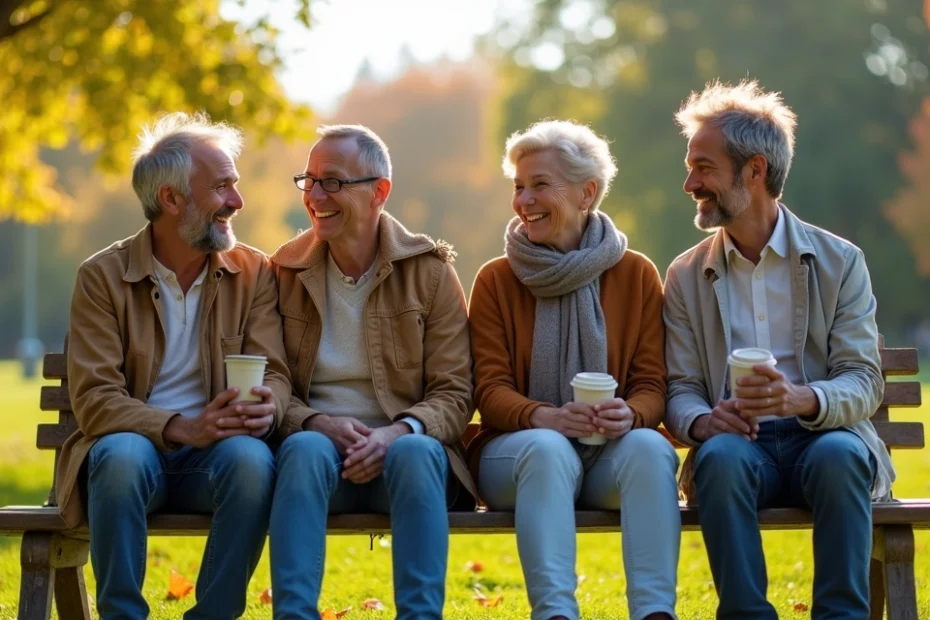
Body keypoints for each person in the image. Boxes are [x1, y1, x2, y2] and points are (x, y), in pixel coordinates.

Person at [664, 79, 894, 619]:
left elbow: (863, 377)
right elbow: (680, 389)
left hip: (823, 434)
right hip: (740, 445)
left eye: (703, 167)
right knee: (718, 459)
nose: (689, 182)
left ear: (755, 170)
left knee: (841, 457)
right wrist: (703, 422)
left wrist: (801, 400)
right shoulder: (685, 275)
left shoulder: (841, 262)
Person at [61, 112, 291, 618]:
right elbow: (97, 402)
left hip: (215, 461)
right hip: (133, 457)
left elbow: (275, 370)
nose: (238, 201)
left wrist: (268, 407)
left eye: (235, 184)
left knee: (252, 461)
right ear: (171, 199)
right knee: (120, 455)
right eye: (222, 187)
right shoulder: (103, 277)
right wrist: (184, 426)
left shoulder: (254, 273)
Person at [466, 119, 679, 620]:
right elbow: (488, 389)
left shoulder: (637, 274)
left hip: (607, 454)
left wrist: (630, 415)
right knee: (546, 450)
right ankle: (556, 613)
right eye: (519, 187)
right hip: (518, 455)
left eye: (540, 185)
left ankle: (655, 612)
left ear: (587, 193)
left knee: (649, 447)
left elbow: (653, 383)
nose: (524, 200)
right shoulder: (496, 279)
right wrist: (546, 417)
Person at [268, 124, 477, 619]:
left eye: (333, 182)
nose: (316, 196)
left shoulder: (430, 271)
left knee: (417, 451)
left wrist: (395, 433)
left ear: (379, 191)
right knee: (301, 447)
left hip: (407, 460)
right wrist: (318, 423)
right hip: (318, 455)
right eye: (309, 180)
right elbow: (271, 380)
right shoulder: (281, 273)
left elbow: (454, 391)